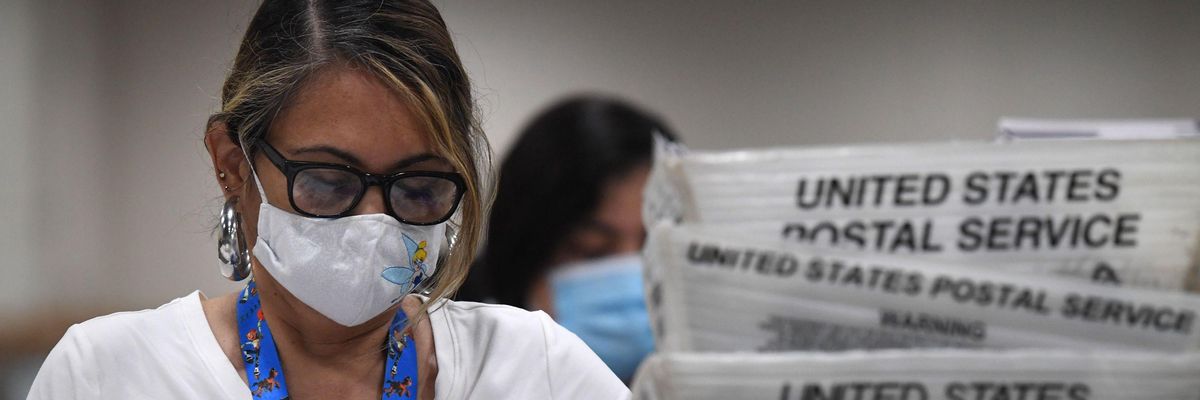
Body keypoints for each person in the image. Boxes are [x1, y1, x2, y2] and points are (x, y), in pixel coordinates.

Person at [27, 1, 627, 399]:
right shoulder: (107, 373)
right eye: (329, 181)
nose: (375, 220)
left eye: (418, 187)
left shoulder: (534, 369)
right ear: (233, 166)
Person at [461, 96, 678, 383]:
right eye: (592, 250)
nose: (632, 276)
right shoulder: (440, 369)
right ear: (521, 248)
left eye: (654, 248)